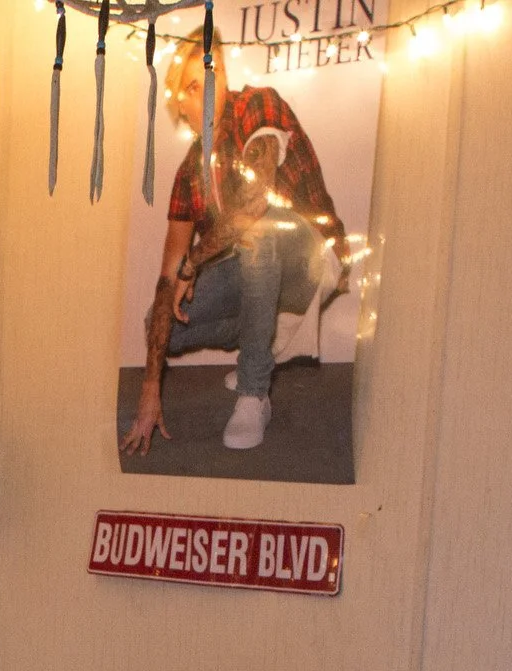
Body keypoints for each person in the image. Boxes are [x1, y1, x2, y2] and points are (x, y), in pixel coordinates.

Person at [122, 45, 350, 455]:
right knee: (159, 325)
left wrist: (193, 263)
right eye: (190, 89)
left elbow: (255, 204)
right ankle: (259, 341)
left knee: (258, 231)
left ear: (224, 75)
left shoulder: (256, 106)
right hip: (254, 273)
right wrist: (149, 389)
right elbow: (167, 278)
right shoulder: (191, 171)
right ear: (180, 106)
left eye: (209, 79)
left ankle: (253, 391)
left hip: (312, 260)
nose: (203, 95)